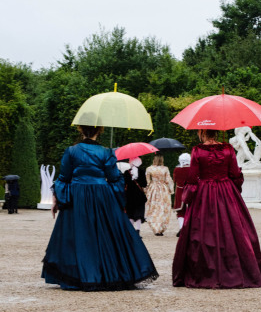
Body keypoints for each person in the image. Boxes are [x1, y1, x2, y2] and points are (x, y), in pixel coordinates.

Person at [41, 125, 158, 291]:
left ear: (80, 130)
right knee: (104, 233)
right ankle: (106, 273)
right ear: (99, 131)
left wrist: (57, 198)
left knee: (79, 234)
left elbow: (64, 178)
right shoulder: (106, 152)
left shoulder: (71, 151)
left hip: (77, 196)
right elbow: (114, 178)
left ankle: (79, 274)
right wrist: (115, 196)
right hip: (102, 196)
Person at [173, 129, 261, 289]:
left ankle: (205, 272)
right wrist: (233, 187)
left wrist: (188, 196)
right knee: (235, 230)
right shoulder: (228, 149)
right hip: (227, 192)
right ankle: (237, 270)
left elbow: (193, 178)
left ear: (202, 133)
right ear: (216, 133)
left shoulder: (197, 150)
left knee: (202, 231)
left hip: (204, 193)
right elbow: (235, 174)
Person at [145, 154, 174, 236]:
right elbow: (168, 180)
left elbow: (147, 181)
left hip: (153, 189)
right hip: (163, 189)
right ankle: (161, 228)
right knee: (163, 208)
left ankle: (155, 227)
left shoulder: (149, 169)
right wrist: (171, 190)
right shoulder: (165, 169)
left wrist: (147, 190)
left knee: (153, 208)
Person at [124, 157, 147, 236]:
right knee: (139, 213)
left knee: (130, 213)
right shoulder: (142, 171)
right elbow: (144, 184)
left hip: (129, 195)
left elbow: (124, 184)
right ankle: (138, 230)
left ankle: (131, 230)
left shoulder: (126, 172)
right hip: (139, 195)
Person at [173, 153, 191, 237]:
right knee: (192, 210)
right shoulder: (193, 169)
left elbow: (174, 180)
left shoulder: (177, 169)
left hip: (180, 190)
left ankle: (181, 228)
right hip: (191, 191)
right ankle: (190, 229)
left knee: (180, 212)